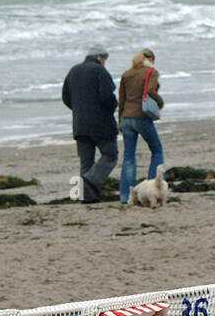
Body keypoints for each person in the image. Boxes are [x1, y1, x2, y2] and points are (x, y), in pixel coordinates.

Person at [61, 46, 118, 203]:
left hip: (80, 123)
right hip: (101, 124)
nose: (105, 62)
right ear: (100, 57)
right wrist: (113, 106)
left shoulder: (73, 71)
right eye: (105, 58)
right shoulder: (100, 71)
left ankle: (86, 197)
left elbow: (65, 97)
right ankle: (90, 180)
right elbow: (108, 96)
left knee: (86, 162)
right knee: (110, 154)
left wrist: (79, 109)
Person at [117, 49, 165, 203]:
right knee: (157, 150)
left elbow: (121, 99)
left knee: (129, 157)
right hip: (142, 117)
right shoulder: (151, 72)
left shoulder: (127, 73)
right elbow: (151, 91)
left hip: (126, 118)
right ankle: (153, 189)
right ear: (150, 58)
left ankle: (126, 196)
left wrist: (120, 121)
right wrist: (160, 102)